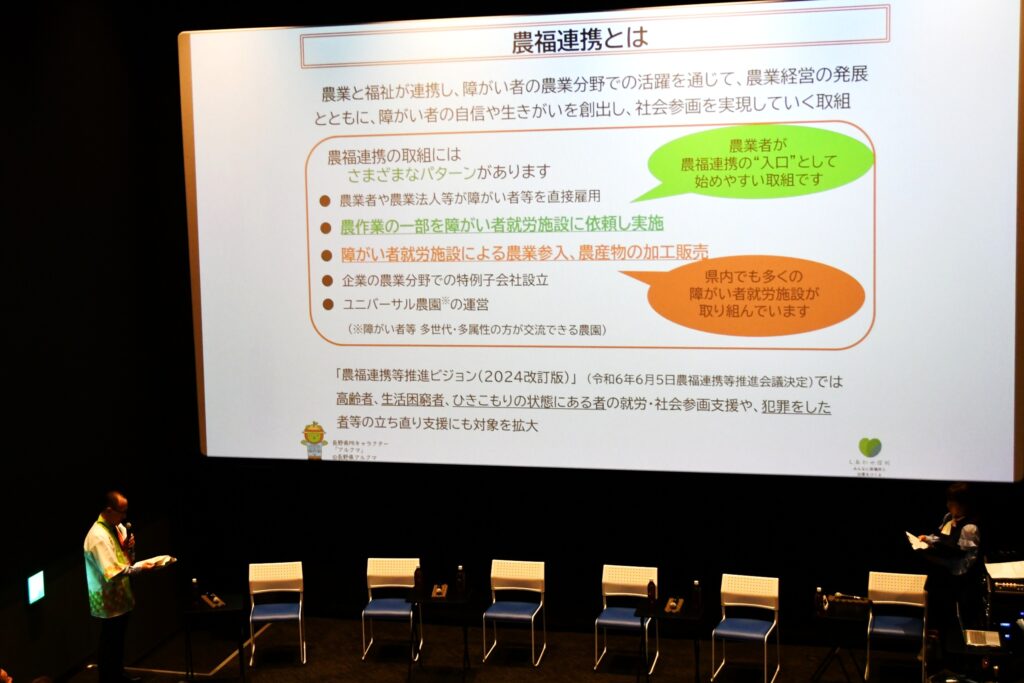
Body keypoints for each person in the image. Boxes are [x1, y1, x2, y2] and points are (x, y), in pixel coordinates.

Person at [83, 491, 155, 683]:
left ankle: (118, 674)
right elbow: (112, 571)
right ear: (109, 510)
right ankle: (108, 678)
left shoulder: (118, 528)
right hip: (108, 598)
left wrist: (130, 548)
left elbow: (127, 559)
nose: (124, 516)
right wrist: (140, 568)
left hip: (122, 593)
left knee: (118, 639)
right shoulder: (97, 536)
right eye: (121, 512)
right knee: (109, 640)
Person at [916, 482, 983, 629]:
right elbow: (940, 538)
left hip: (956, 580)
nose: (948, 505)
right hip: (940, 573)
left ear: (963, 504)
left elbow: (965, 560)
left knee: (950, 619)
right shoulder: (948, 517)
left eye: (952, 502)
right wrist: (927, 539)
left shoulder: (969, 527)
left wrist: (939, 558)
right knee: (933, 610)